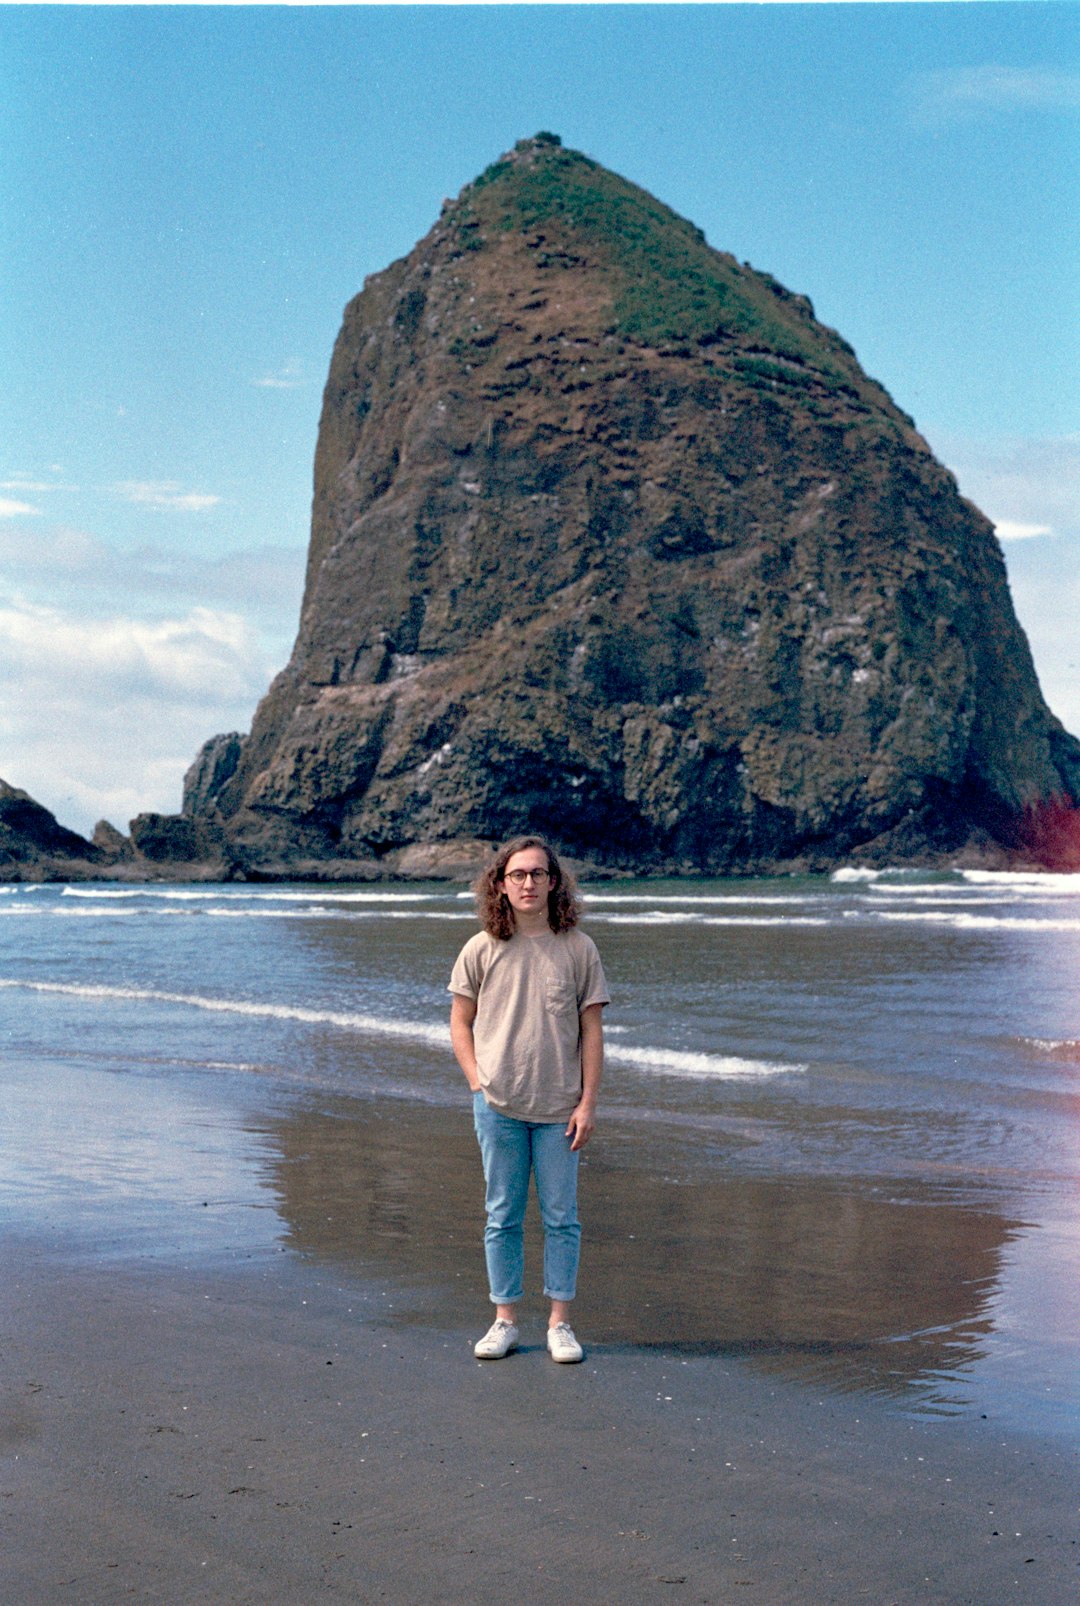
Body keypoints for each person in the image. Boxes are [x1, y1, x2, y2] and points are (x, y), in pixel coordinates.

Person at [449, 835, 609, 1363]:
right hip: (497, 1105)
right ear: (500, 882)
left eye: (538, 874)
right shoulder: (481, 947)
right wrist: (476, 1080)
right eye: (517, 874)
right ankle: (505, 1320)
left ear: (553, 881)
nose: (528, 883)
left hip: (560, 1109)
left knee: (562, 1216)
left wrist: (587, 1104)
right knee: (503, 1214)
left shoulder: (578, 948)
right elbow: (460, 1021)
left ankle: (560, 1324)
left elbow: (592, 1032)